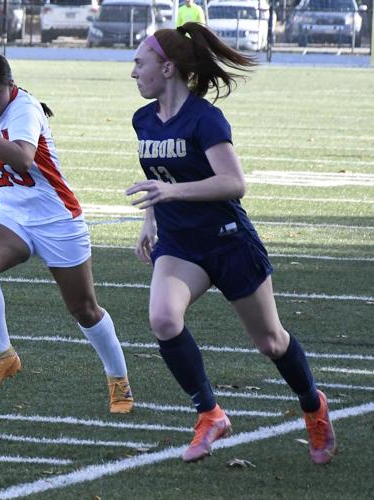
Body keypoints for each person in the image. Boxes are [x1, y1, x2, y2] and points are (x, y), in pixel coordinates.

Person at [125, 25, 336, 464]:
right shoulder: (143, 119)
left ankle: (314, 407)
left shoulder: (205, 118)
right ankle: (210, 414)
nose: (133, 73)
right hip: (181, 244)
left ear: (167, 67)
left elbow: (233, 183)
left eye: (139, 63)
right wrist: (150, 219)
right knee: (164, 319)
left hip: (228, 243)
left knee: (271, 342)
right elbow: (157, 178)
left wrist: (172, 196)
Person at [0, 53, 134, 414]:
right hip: (12, 212)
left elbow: (22, 159)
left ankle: (119, 383)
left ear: (11, 85)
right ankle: (3, 357)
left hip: (56, 217)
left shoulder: (26, 108)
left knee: (83, 308)